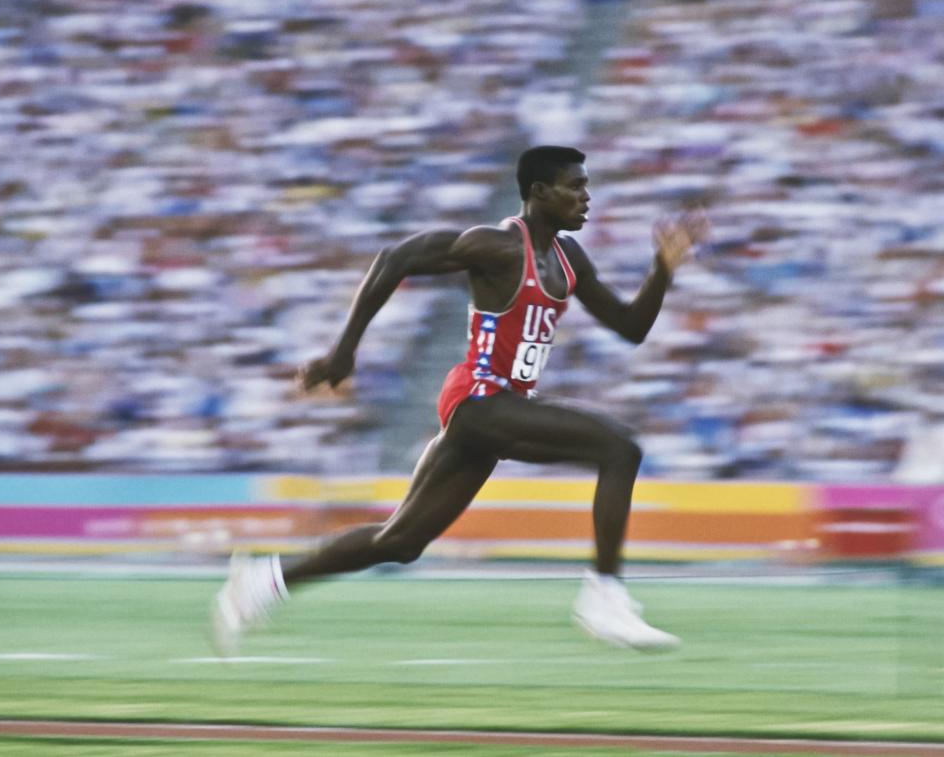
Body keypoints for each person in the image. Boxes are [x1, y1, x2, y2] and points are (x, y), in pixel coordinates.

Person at [211, 145, 709, 654]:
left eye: (587, 186)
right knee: (619, 448)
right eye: (575, 186)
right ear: (539, 193)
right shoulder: (497, 246)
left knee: (400, 542)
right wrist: (344, 352)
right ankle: (604, 595)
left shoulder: (569, 258)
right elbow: (396, 257)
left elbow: (630, 327)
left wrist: (663, 269)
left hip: (498, 410)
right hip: (479, 399)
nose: (587, 197)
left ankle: (261, 581)